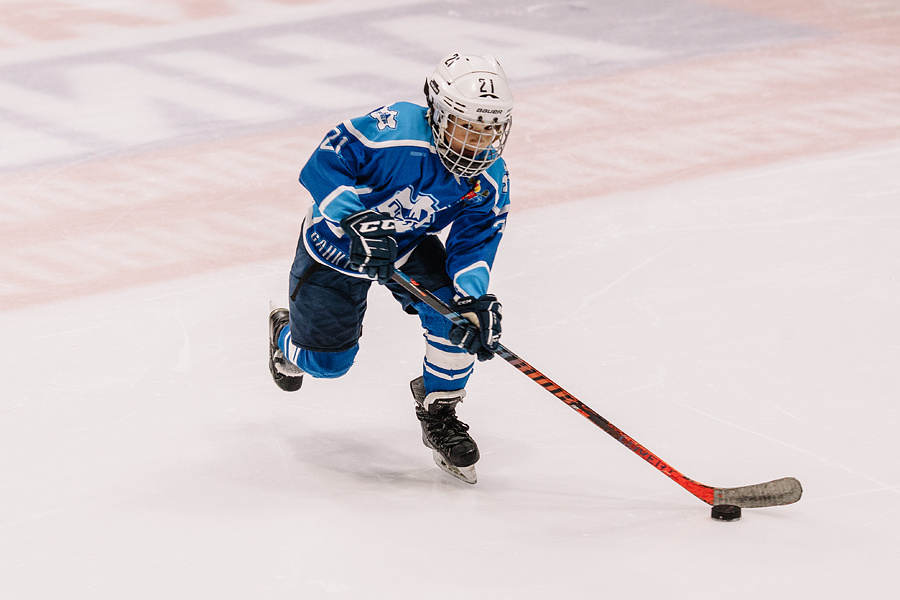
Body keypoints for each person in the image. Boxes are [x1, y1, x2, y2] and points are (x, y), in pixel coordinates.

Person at [267, 52, 513, 484]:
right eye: (467, 127)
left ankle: (439, 410)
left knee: (458, 318)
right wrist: (353, 218)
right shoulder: (394, 131)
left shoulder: (490, 177)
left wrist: (473, 299)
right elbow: (323, 163)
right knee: (327, 365)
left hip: (406, 246)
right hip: (338, 244)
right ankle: (285, 338)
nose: (479, 143)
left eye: (489, 130)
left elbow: (474, 244)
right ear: (437, 113)